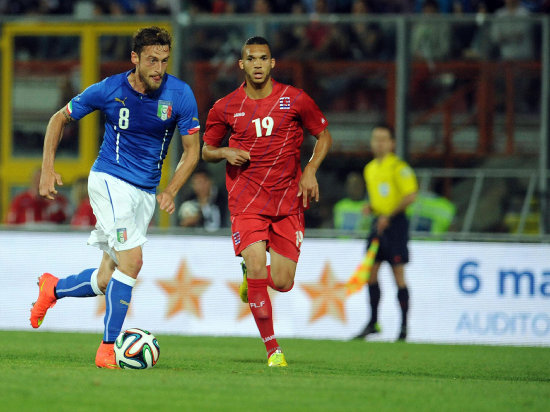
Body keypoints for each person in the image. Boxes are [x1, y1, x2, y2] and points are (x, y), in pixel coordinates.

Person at [29, 26, 201, 368]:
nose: (158, 69)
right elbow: (57, 119)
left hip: (146, 193)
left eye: (164, 61)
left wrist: (171, 189)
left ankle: (53, 288)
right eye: (152, 60)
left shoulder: (180, 94)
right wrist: (47, 168)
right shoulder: (109, 89)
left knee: (109, 277)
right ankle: (107, 350)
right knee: (133, 262)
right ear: (135, 58)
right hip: (109, 180)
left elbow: (193, 151)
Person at [202, 36, 332, 367]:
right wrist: (225, 152)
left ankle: (252, 279)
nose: (257, 64)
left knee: (284, 281)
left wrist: (311, 170)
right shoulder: (225, 106)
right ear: (241, 64)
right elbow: (206, 149)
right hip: (246, 200)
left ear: (272, 63)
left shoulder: (295, 99)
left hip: (288, 200)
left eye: (263, 58)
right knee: (259, 264)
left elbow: (324, 135)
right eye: (251, 58)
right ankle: (273, 349)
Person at [353, 124, 418, 342]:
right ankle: (373, 323)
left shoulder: (399, 168)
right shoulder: (370, 168)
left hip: (395, 224)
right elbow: (380, 197)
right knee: (370, 272)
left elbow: (411, 195)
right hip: (378, 223)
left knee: (397, 274)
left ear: (392, 143)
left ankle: (404, 327)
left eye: (383, 139)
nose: (378, 143)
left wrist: (388, 216)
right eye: (375, 139)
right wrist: (371, 208)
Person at [178, 167, 227, 231]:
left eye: (201, 182)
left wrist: (199, 217)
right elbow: (181, 225)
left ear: (210, 181)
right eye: (196, 183)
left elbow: (222, 223)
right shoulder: (189, 200)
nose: (199, 187)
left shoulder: (222, 198)